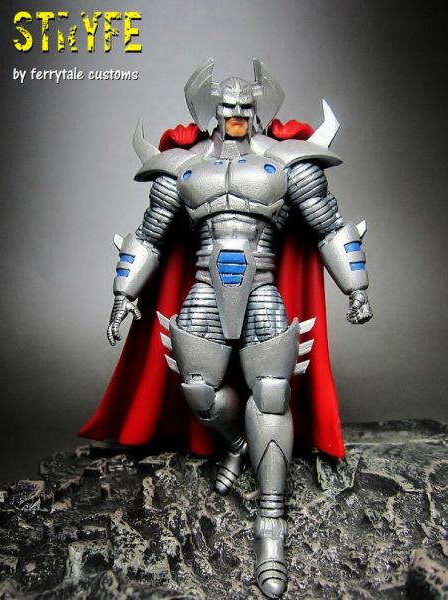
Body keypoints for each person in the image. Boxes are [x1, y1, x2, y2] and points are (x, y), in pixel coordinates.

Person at [97, 59, 372, 598]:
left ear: (258, 108)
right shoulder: (184, 166)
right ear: (212, 110)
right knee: (199, 392)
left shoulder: (286, 161)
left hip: (263, 288)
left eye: (246, 105)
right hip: (203, 288)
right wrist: (122, 295)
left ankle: (271, 526)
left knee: (271, 396)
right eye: (228, 106)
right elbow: (150, 234)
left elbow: (328, 225)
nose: (237, 113)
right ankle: (239, 442)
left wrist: (356, 287)